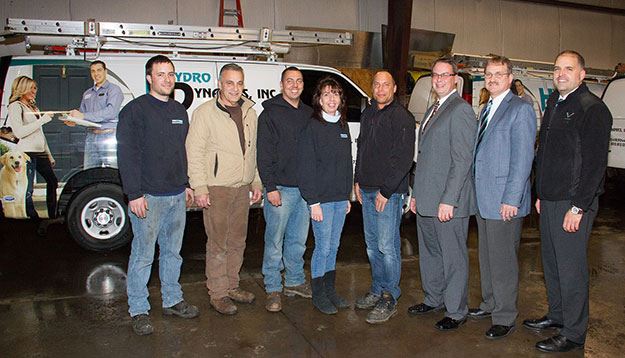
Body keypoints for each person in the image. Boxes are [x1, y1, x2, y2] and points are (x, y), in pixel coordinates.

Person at [524, 50, 612, 353]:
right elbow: (546, 153)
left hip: (572, 203)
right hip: (549, 200)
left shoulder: (592, 109)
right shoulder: (555, 103)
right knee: (551, 264)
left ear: (582, 74)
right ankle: (558, 315)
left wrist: (578, 206)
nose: (561, 74)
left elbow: (595, 164)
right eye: (557, 68)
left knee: (571, 268)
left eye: (568, 68)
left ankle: (573, 333)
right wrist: (540, 193)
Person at [117, 55, 199, 336]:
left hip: (177, 195)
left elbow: (181, 153)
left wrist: (187, 183)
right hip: (148, 198)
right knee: (142, 256)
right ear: (149, 78)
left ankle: (172, 299)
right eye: (161, 74)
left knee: (173, 253)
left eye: (171, 74)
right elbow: (127, 155)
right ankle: (139, 309)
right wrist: (134, 193)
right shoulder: (134, 111)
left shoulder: (179, 110)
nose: (167, 79)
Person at [406, 57, 477, 331]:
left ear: (455, 79)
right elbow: (424, 157)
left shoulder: (460, 111)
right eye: (435, 75)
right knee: (430, 252)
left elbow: (462, 161)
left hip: (448, 202)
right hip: (426, 197)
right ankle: (433, 298)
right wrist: (416, 193)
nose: (438, 80)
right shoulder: (434, 108)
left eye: (444, 75)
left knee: (453, 256)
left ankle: (457, 311)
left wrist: (449, 199)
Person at [186, 63, 262, 316]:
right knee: (218, 243)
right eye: (230, 83)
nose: (235, 88)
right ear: (220, 84)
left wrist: (256, 181)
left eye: (239, 83)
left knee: (238, 240)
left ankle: (232, 286)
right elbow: (194, 152)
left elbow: (253, 151)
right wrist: (199, 186)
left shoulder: (250, 112)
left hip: (242, 187)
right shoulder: (205, 113)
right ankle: (217, 293)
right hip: (216, 187)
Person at [469, 56, 536, 339]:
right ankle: (490, 302)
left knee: (504, 260)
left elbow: (523, 159)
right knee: (487, 256)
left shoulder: (520, 109)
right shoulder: (485, 109)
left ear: (510, 78)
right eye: (489, 74)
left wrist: (512, 198)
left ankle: (505, 316)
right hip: (483, 197)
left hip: (504, 200)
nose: (493, 78)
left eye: (499, 74)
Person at [353, 71, 415, 324]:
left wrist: (386, 191)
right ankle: (378, 289)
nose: (380, 89)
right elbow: (362, 147)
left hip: (387, 193)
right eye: (376, 84)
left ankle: (390, 296)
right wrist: (357, 180)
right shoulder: (368, 113)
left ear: (394, 87)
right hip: (366, 189)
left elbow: (403, 159)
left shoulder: (402, 117)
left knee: (387, 247)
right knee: (372, 246)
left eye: (385, 85)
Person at [257, 67, 313, 312]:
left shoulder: (310, 114)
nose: (294, 85)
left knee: (298, 241)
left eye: (298, 81)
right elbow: (264, 153)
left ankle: (294, 281)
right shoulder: (269, 114)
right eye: (289, 81)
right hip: (279, 188)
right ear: (281, 85)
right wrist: (270, 187)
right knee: (274, 242)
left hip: (305, 191)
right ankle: (272, 288)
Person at [297, 76, 352, 315]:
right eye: (326, 94)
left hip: (340, 200)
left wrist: (347, 196)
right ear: (318, 99)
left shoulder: (342, 125)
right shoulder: (313, 127)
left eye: (336, 94)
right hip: (322, 201)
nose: (331, 99)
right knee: (323, 247)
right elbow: (306, 167)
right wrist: (313, 202)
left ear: (341, 99)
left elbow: (346, 164)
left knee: (335, 245)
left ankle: (330, 290)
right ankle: (318, 293)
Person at [6, 76, 58, 220]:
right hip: (26, 153)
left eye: (35, 88)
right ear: (22, 88)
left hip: (40, 152)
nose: (35, 91)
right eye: (32, 88)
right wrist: (42, 120)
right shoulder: (15, 106)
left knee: (52, 181)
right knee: (27, 189)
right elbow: (19, 132)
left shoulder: (33, 107)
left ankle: (53, 215)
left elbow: (40, 133)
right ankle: (32, 217)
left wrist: (49, 154)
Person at [66, 60, 124, 169]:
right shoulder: (87, 93)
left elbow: (111, 112)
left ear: (105, 71)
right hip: (91, 137)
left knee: (112, 171)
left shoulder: (114, 90)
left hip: (108, 136)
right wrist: (74, 120)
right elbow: (83, 115)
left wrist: (82, 116)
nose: (96, 74)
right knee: (90, 171)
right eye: (93, 71)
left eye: (99, 70)